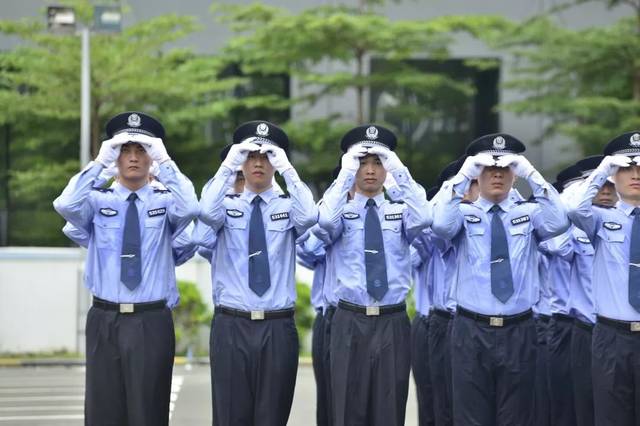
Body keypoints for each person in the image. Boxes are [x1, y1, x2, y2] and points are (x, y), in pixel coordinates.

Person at [53, 111, 199, 426]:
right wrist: (98, 163)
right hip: (105, 318)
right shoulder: (95, 200)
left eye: (141, 150)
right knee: (103, 410)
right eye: (125, 151)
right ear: (115, 157)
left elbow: (191, 207)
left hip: (151, 319)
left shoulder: (166, 201)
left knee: (149, 412)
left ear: (152, 157)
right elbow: (64, 205)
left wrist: (166, 162)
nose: (133, 157)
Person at [432, 133, 568, 426]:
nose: (497, 173)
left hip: (519, 331)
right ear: (477, 174)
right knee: (470, 419)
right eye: (488, 168)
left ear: (514, 173)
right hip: (471, 331)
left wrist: (530, 172)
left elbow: (558, 222)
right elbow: (441, 225)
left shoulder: (529, 214)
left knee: (517, 418)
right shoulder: (463, 215)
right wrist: (464, 172)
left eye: (505, 168)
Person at [199, 120, 317, 426]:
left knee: (272, 417)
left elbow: (311, 216)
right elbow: (205, 213)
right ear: (242, 161)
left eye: (266, 157)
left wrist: (288, 169)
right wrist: (228, 166)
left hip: (277, 328)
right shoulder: (226, 204)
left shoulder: (288, 206)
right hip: (232, 324)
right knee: (230, 417)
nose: (258, 163)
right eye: (251, 156)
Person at [318, 124, 431, 426]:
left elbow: (425, 216)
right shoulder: (341, 209)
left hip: (391, 320)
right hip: (349, 320)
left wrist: (398, 170)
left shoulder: (400, 209)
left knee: (389, 411)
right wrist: (345, 172)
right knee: (346, 411)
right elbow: (324, 221)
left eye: (377, 162)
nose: (370, 170)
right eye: (362, 162)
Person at [567, 132, 640, 426]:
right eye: (626, 168)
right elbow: (574, 209)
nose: (635, 175)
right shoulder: (600, 218)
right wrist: (604, 168)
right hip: (612, 336)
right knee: (611, 418)